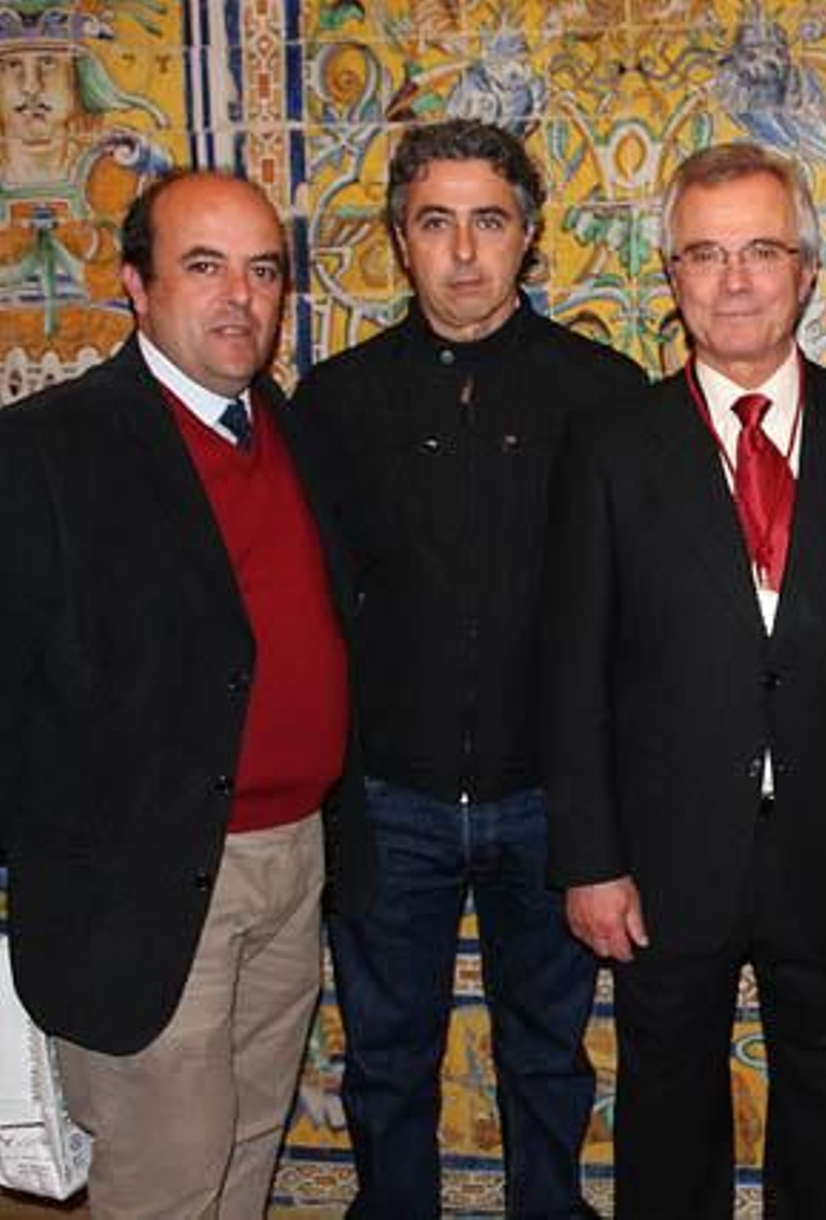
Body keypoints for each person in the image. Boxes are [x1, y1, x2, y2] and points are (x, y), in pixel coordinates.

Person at [540, 141, 826, 1219]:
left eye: (761, 250)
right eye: (704, 255)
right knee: (665, 1115)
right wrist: (589, 856)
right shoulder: (610, 445)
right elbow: (571, 667)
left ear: (808, 267)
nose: (734, 281)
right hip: (663, 856)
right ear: (669, 276)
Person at [0, 170, 375, 1216]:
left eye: (262, 271)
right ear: (135, 284)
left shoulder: (289, 429)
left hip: (294, 858)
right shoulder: (47, 451)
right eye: (203, 266)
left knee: (249, 1140)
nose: (238, 298)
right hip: (149, 881)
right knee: (166, 1172)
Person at [293, 118, 643, 1219]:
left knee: (548, 1058)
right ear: (400, 239)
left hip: (550, 799)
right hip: (387, 793)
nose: (461, 252)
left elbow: (638, 615)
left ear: (527, 236)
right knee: (387, 1059)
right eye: (434, 223)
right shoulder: (335, 402)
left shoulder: (604, 391)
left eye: (487, 221)